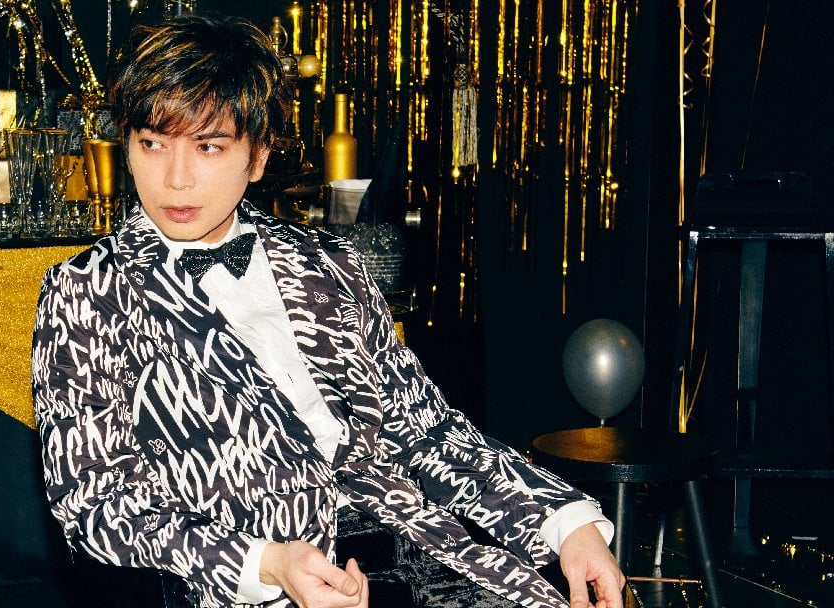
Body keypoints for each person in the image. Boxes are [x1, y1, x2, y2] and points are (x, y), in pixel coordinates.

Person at [32, 14, 625, 608]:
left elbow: (426, 430)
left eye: (208, 147)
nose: (175, 178)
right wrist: (267, 563)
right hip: (251, 582)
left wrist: (566, 524)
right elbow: (95, 504)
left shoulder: (329, 261)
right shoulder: (86, 291)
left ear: (258, 156)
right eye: (152, 144)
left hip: (420, 554)